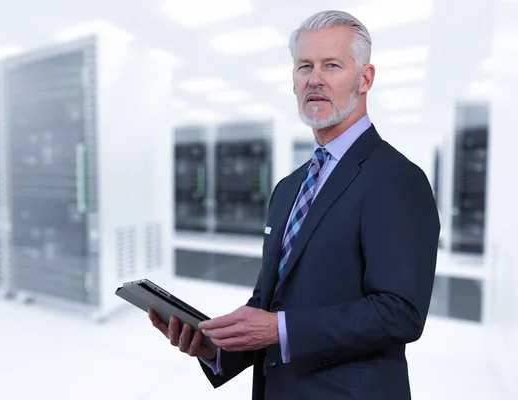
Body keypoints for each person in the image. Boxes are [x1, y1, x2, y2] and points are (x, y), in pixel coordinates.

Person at [148, 9, 440, 400]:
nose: (314, 79)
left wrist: (280, 329)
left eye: (331, 65)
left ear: (365, 78)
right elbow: (269, 306)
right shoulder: (289, 187)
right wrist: (216, 348)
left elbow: (399, 312)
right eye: (304, 66)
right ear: (293, 80)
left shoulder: (396, 179)